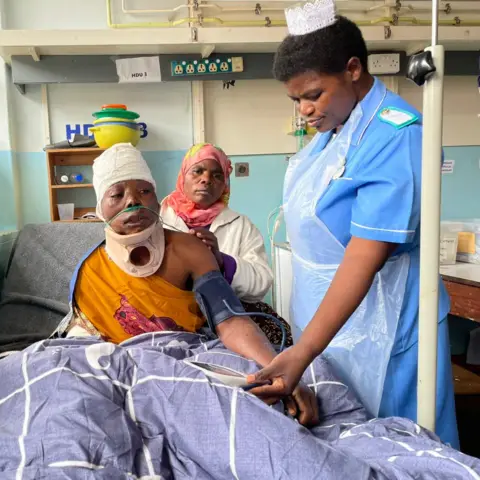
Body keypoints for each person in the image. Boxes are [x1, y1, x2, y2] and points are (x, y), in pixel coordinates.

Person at [247, 3, 459, 448]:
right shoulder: (335, 130)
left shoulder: (397, 135)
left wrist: (303, 352)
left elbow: (365, 254)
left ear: (353, 69)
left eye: (313, 94)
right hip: (334, 327)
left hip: (386, 328)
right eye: (296, 99)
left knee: (398, 447)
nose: (304, 110)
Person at [56, 142, 318, 426]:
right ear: (101, 208)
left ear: (157, 198)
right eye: (117, 194)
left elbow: (230, 319)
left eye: (144, 191)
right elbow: (84, 334)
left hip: (193, 347)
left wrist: (279, 372)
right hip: (122, 365)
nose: (133, 201)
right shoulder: (91, 268)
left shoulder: (194, 247)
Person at [161, 143, 292, 347]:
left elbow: (261, 283)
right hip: (169, 314)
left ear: (225, 185)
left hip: (227, 315)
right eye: (198, 171)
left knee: (278, 342)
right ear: (183, 176)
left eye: (217, 175)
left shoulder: (241, 225)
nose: (206, 179)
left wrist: (222, 262)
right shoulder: (158, 220)